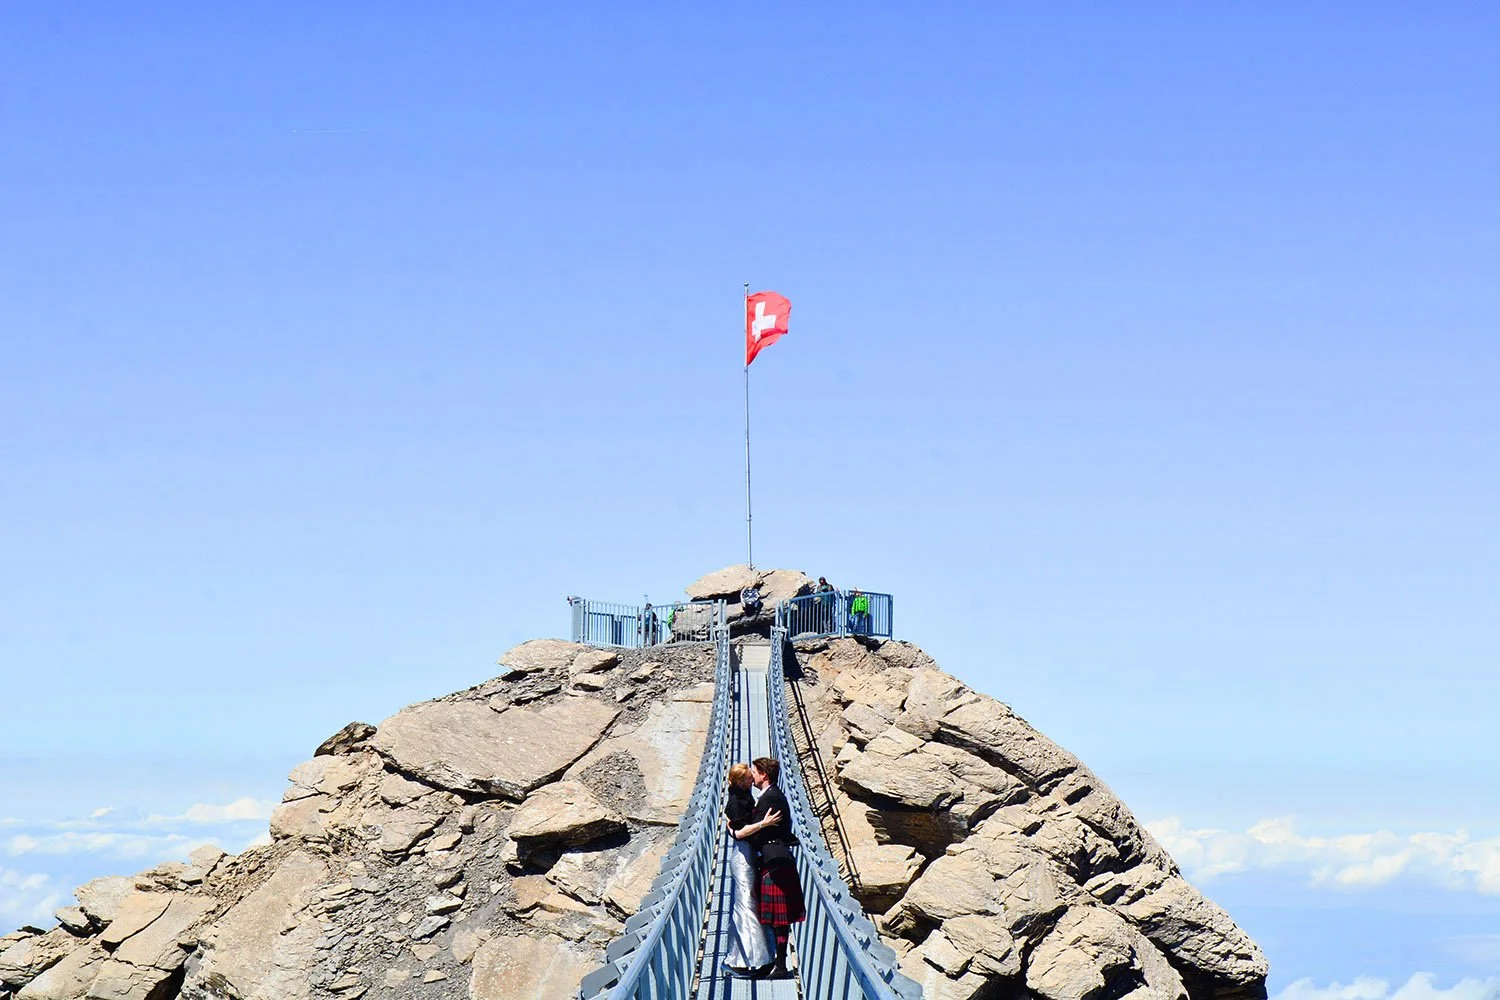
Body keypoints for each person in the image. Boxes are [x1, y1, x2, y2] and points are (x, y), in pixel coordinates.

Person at [743, 757, 803, 979]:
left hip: (775, 861)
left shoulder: (772, 798)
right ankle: (772, 963)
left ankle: (780, 965)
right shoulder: (769, 796)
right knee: (773, 917)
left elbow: (759, 832)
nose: (752, 776)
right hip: (772, 859)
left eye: (755, 772)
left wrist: (739, 830)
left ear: (764, 775)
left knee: (779, 917)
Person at [722, 764, 774, 976]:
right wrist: (765, 823)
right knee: (746, 907)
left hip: (748, 855)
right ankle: (749, 961)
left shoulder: (742, 795)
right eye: (747, 777)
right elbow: (739, 832)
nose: (752, 778)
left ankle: (737, 958)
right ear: (739, 781)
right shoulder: (736, 801)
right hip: (743, 859)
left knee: (747, 905)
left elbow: (731, 822)